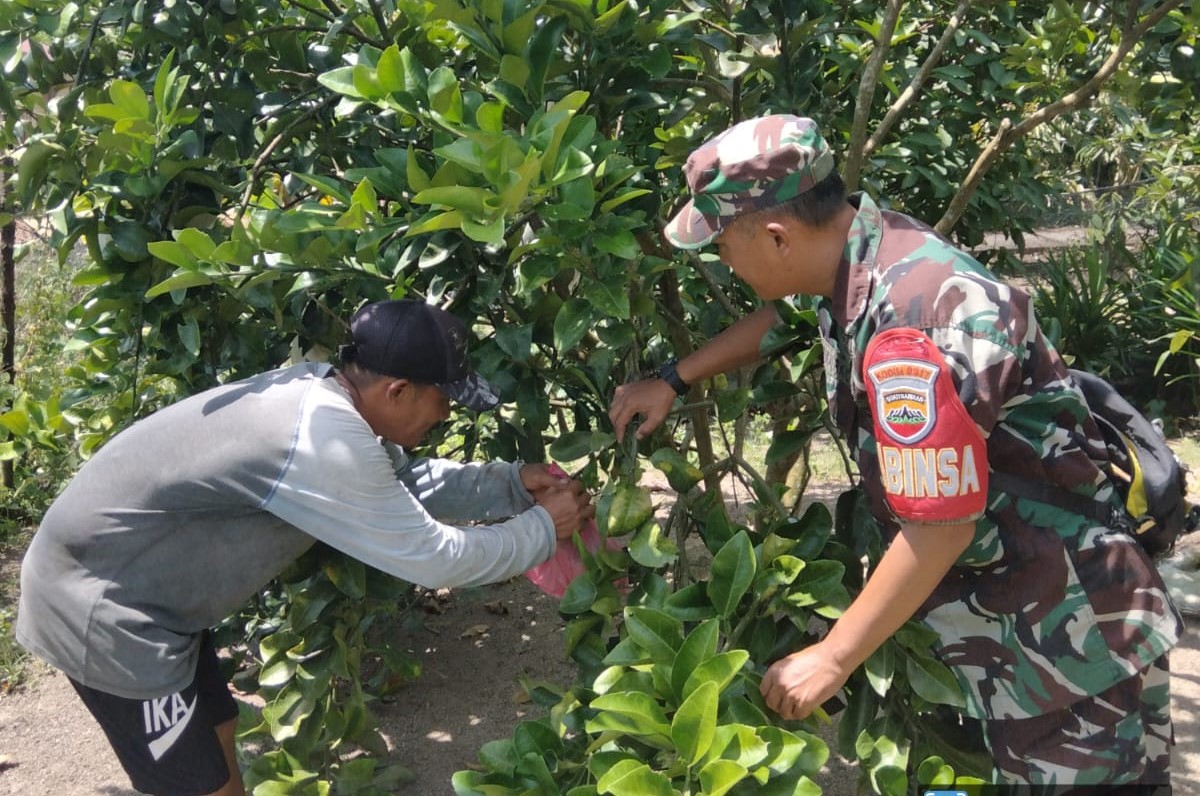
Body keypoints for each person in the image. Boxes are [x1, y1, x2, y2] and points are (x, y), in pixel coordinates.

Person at [608, 114, 1182, 787]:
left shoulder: (919, 325)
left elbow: (939, 527)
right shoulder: (863, 252)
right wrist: (674, 379)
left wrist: (834, 656)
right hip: (1007, 622)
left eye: (723, 245)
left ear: (776, 235)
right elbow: (786, 319)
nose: (722, 261)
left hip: (1065, 645)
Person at [17, 298, 594, 796]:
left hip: (160, 603)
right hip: (108, 611)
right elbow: (437, 557)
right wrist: (542, 530)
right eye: (442, 401)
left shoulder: (326, 394)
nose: (445, 416)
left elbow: (396, 486)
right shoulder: (323, 437)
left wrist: (509, 485)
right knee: (198, 786)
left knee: (219, 738)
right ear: (396, 390)